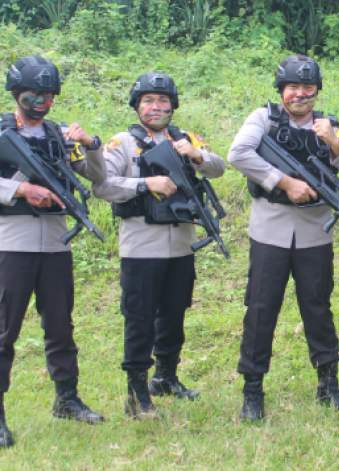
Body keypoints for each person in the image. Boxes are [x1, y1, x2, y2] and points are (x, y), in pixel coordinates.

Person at [229, 55, 339, 422]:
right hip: (270, 228)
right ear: (281, 90)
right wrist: (284, 182)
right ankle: (252, 390)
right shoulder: (264, 118)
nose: (300, 95)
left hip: (314, 232)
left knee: (318, 308)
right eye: (293, 88)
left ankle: (328, 384)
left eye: (308, 88)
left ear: (317, 90)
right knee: (260, 309)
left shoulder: (330, 124)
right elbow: (238, 153)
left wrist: (335, 144)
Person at [93, 72, 225, 418]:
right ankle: (136, 393)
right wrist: (144, 184)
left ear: (173, 105)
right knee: (139, 318)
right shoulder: (122, 143)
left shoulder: (185, 137)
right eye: (148, 101)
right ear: (137, 106)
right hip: (141, 245)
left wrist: (196, 155)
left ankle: (166, 377)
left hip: (181, 244)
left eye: (162, 101)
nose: (156, 107)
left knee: (174, 312)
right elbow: (102, 185)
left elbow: (219, 168)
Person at [0, 56, 106, 447]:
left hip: (55, 242)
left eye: (48, 94)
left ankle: (67, 398)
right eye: (34, 94)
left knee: (60, 325)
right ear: (16, 94)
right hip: (11, 241)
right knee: (3, 330)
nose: (42, 101)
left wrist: (90, 144)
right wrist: (21, 190)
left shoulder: (60, 137)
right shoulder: (2, 131)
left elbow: (98, 178)